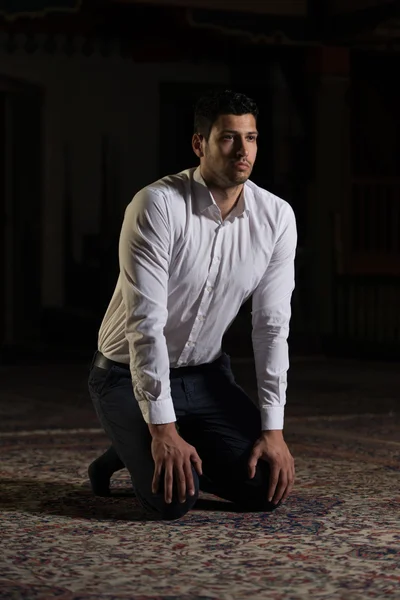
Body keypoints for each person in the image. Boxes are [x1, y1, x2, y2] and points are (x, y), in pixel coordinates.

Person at [88, 89, 297, 520]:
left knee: (264, 487)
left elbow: (272, 326)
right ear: (199, 143)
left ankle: (143, 439)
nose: (243, 151)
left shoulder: (276, 218)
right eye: (228, 138)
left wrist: (273, 431)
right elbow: (145, 323)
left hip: (205, 377)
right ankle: (134, 441)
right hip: (124, 374)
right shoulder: (157, 205)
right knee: (173, 499)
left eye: (252, 138)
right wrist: (162, 429)